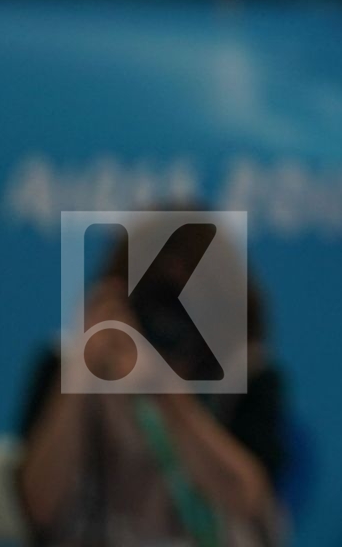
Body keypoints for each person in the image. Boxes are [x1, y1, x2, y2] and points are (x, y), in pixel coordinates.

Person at [16, 213, 288, 547]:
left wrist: (167, 393)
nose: (169, 314)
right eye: (157, 296)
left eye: (188, 301)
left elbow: (248, 501)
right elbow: (39, 508)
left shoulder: (246, 376)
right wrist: (82, 375)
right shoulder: (68, 366)